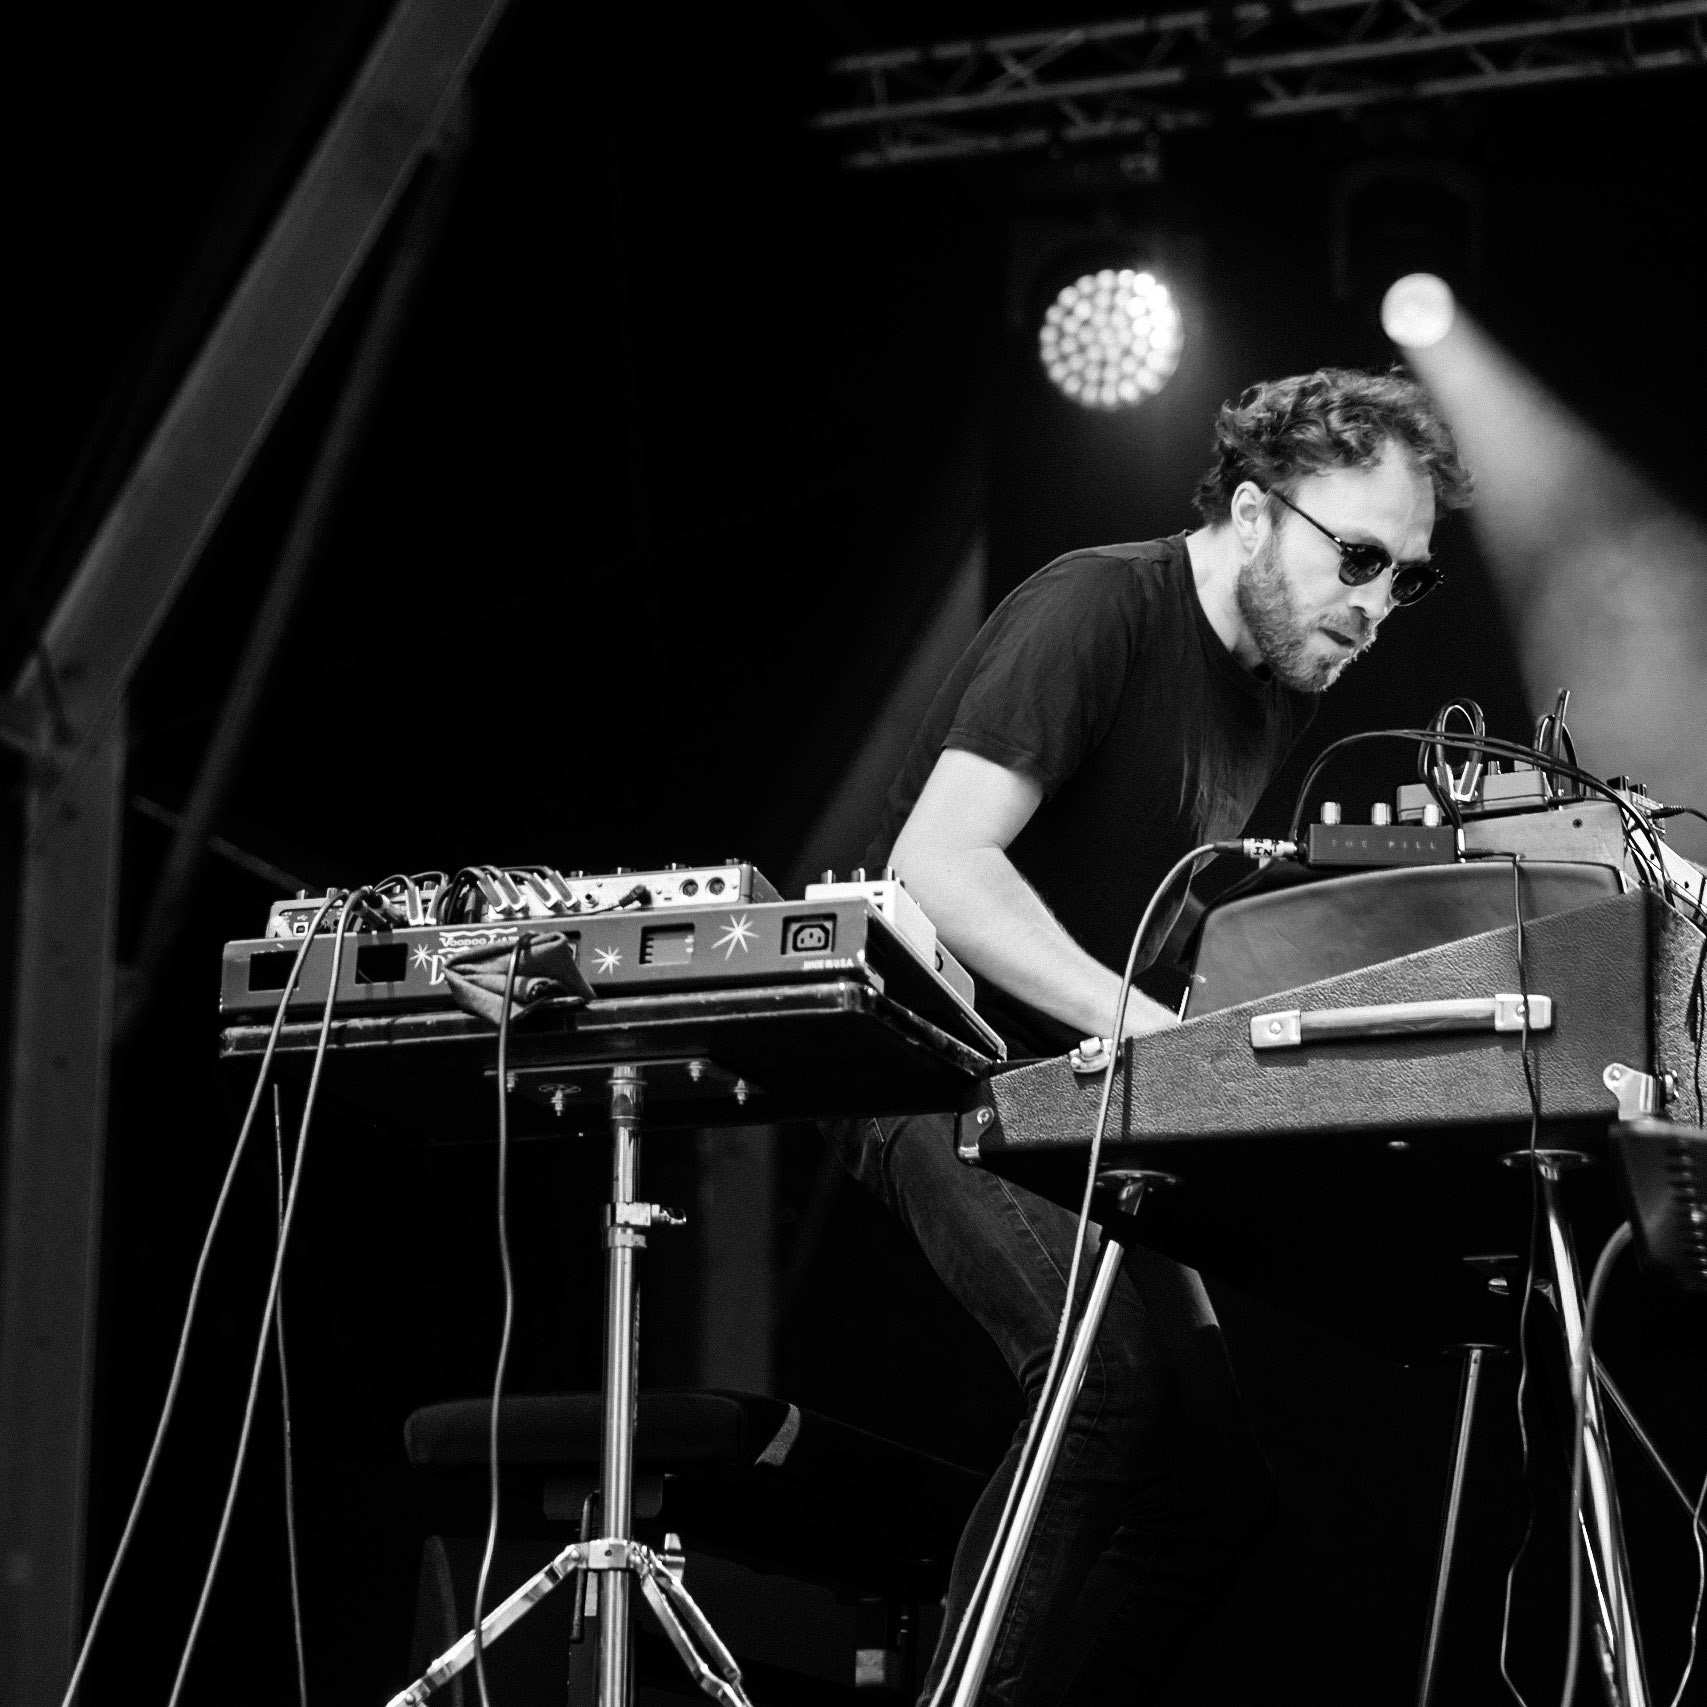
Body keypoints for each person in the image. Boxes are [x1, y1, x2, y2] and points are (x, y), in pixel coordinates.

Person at [830, 367, 1473, 1704]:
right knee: (1105, 1400)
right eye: (1356, 556)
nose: (1375, 601)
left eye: (1405, 578)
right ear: (1252, 512)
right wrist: (1152, 1033)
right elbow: (942, 864)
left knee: (1214, 1495)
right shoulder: (1098, 603)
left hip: (1073, 1103)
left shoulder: (1272, 690)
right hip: (937, 1069)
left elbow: (1166, 936)